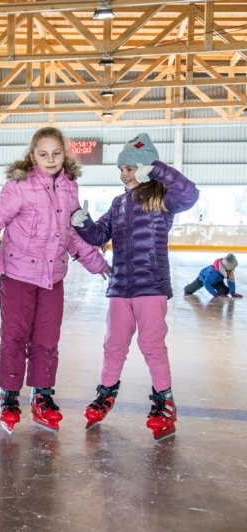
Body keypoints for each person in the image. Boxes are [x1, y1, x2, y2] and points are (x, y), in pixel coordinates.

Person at [0, 127, 110, 434]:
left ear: (64, 155)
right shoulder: (19, 185)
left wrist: (97, 263)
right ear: (33, 156)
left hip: (52, 276)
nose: (51, 159)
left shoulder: (69, 187)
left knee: (47, 339)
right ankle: (9, 396)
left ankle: (42, 396)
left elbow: (72, 233)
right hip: (17, 273)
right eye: (43, 154)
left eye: (56, 153)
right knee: (15, 337)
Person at [71, 133, 200, 441]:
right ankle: (105, 393)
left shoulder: (163, 198)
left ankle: (164, 403)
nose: (123, 175)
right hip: (120, 288)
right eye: (122, 169)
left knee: (152, 346)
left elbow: (191, 193)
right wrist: (83, 223)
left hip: (150, 287)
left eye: (130, 168)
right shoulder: (118, 203)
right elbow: (100, 235)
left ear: (143, 169)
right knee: (113, 344)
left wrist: (156, 169)